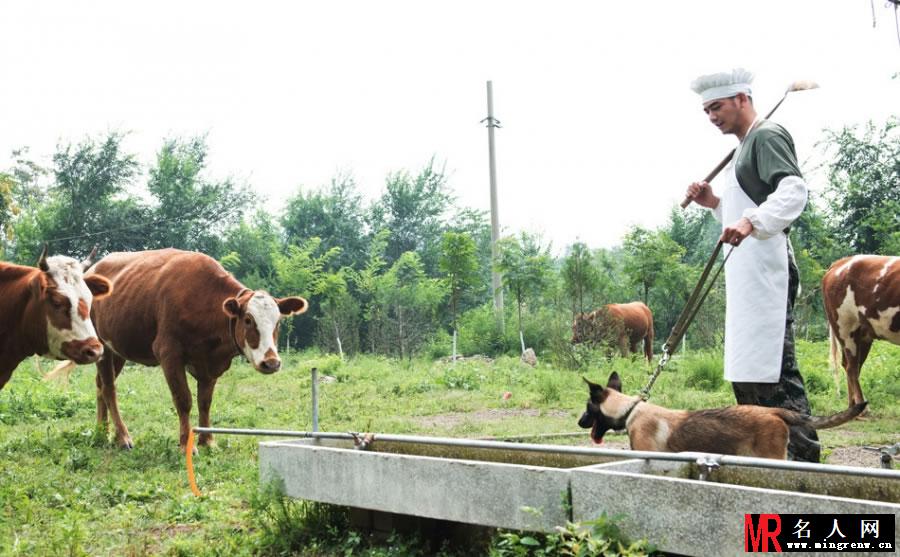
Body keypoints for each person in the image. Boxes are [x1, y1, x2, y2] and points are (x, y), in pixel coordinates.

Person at [684, 68, 820, 463]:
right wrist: (714, 203)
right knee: (748, 371)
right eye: (706, 110)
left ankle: (804, 465)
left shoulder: (766, 136)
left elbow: (792, 191)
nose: (712, 116)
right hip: (745, 274)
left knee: (775, 371)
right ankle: (765, 459)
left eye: (717, 106)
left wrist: (752, 221)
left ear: (742, 98)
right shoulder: (742, 148)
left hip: (768, 270)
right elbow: (740, 210)